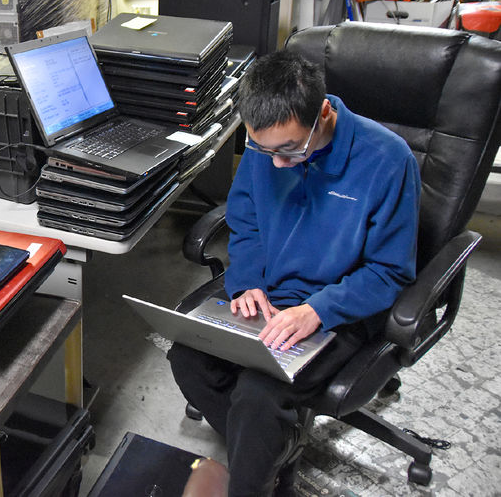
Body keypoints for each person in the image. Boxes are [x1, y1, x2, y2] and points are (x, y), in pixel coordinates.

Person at [167, 49, 421, 496]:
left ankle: (256, 477)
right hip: (269, 293)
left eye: (289, 149)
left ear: (324, 114)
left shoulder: (388, 160)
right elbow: (245, 220)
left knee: (258, 397)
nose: (277, 164)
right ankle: (274, 451)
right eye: (263, 150)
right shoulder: (266, 148)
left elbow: (389, 272)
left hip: (340, 308)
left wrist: (317, 311)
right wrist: (246, 281)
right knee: (187, 358)